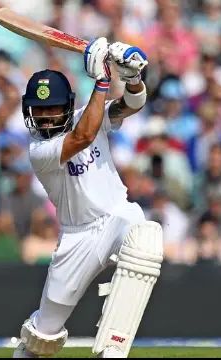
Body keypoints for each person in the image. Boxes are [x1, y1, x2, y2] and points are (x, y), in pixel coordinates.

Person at [12, 38, 164, 359]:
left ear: (68, 106)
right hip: (77, 237)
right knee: (42, 339)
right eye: (39, 111)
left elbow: (132, 105)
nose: (47, 118)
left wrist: (132, 77)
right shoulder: (39, 151)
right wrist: (104, 79)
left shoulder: (88, 114)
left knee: (145, 240)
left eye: (53, 109)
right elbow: (82, 136)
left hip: (118, 214)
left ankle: (113, 350)